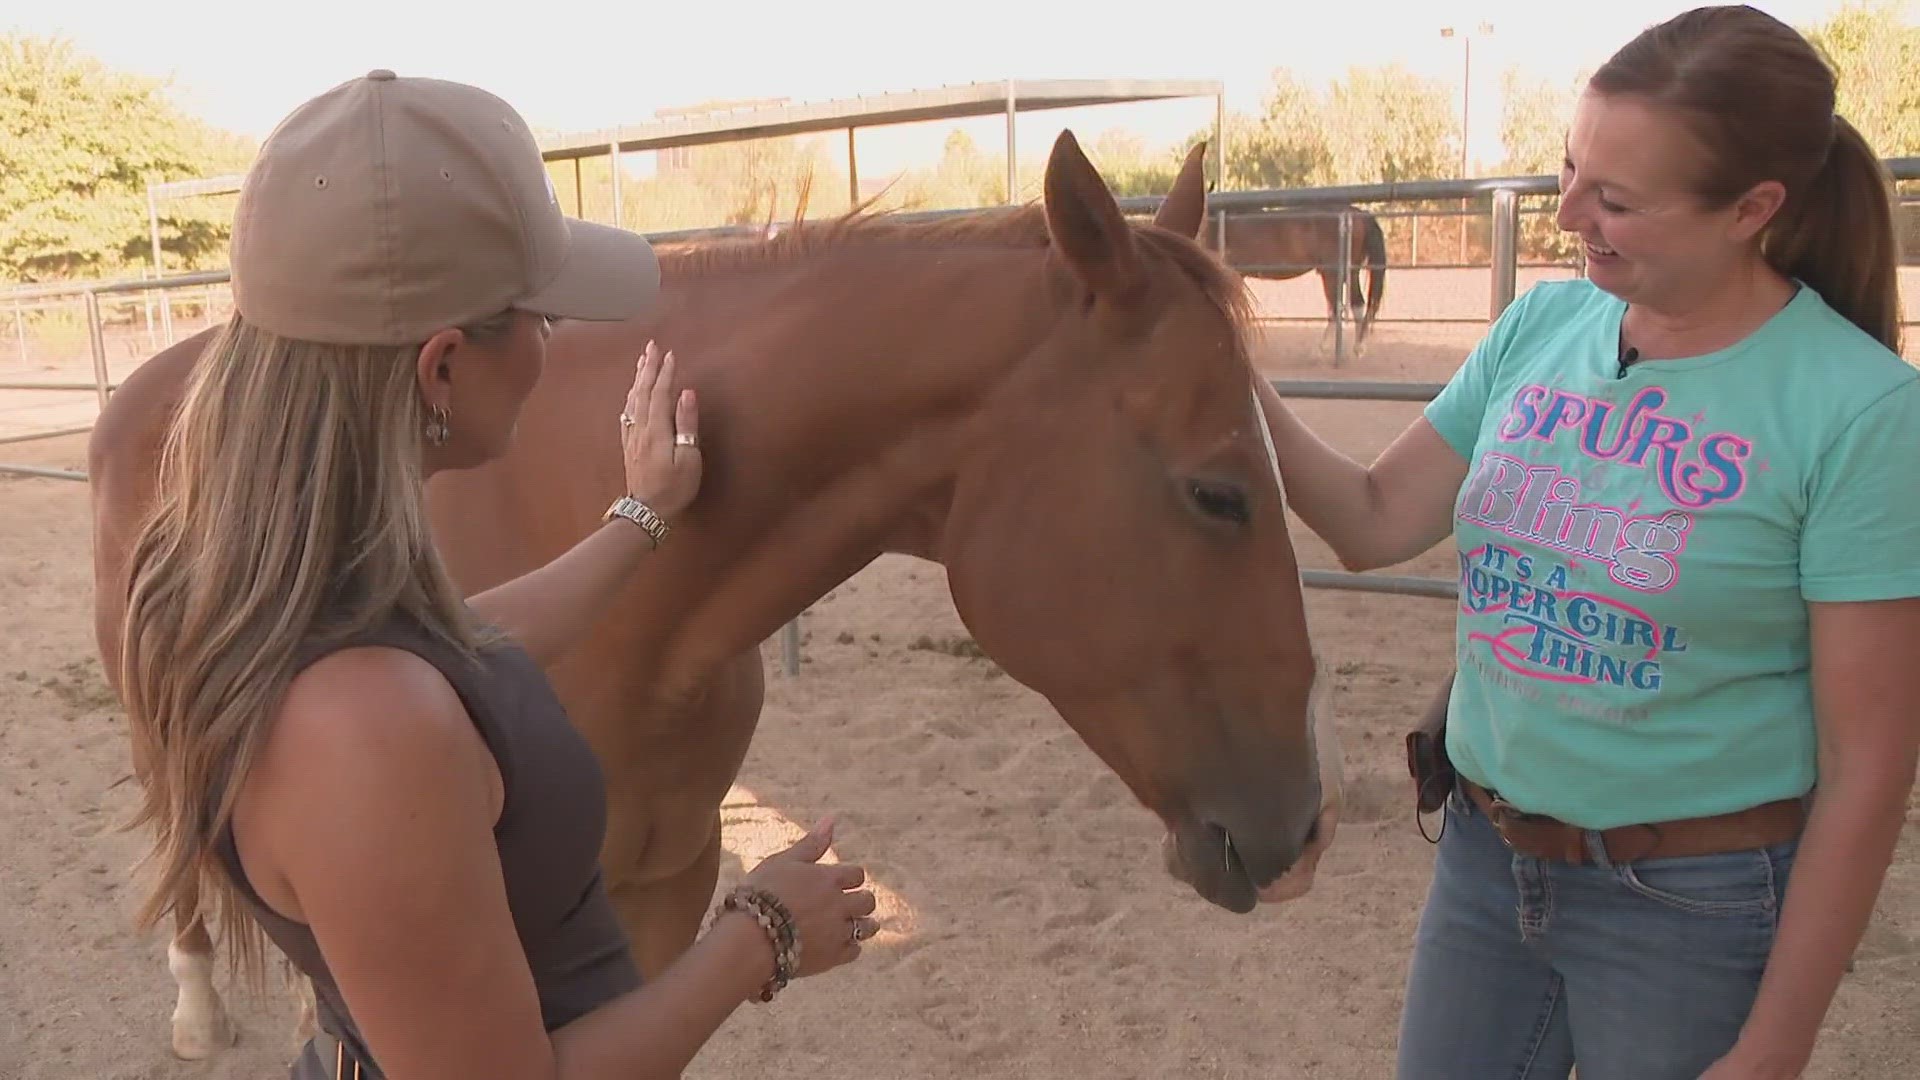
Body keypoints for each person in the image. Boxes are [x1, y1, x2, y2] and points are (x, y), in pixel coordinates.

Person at [101, 70, 878, 1079]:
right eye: (543, 319)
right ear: (442, 369)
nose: (556, 348)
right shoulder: (363, 729)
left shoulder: (295, 591)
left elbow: (463, 644)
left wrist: (640, 517)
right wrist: (758, 934)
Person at [1253, 6, 1920, 1078]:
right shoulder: (1541, 327)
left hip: (1687, 902)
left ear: (1753, 208)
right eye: (1570, 169)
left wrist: (1776, 1045)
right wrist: (1228, 379)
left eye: (1615, 200)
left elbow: (1869, 765)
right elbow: (1374, 520)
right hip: (1485, 860)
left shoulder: (1861, 411)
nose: (1567, 212)